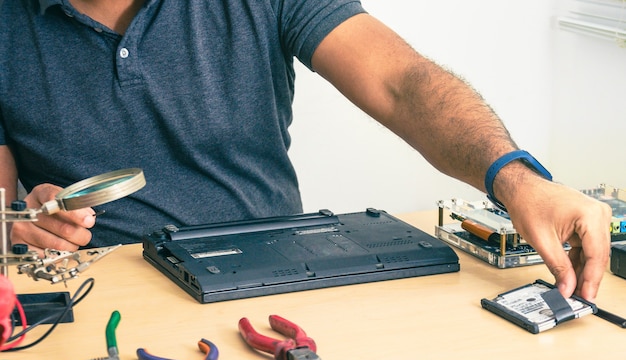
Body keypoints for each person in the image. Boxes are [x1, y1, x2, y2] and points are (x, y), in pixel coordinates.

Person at [0, 0, 612, 302]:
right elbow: (2, 208)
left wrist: (516, 178)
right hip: (101, 289)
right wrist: (18, 223)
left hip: (280, 283)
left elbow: (404, 86)